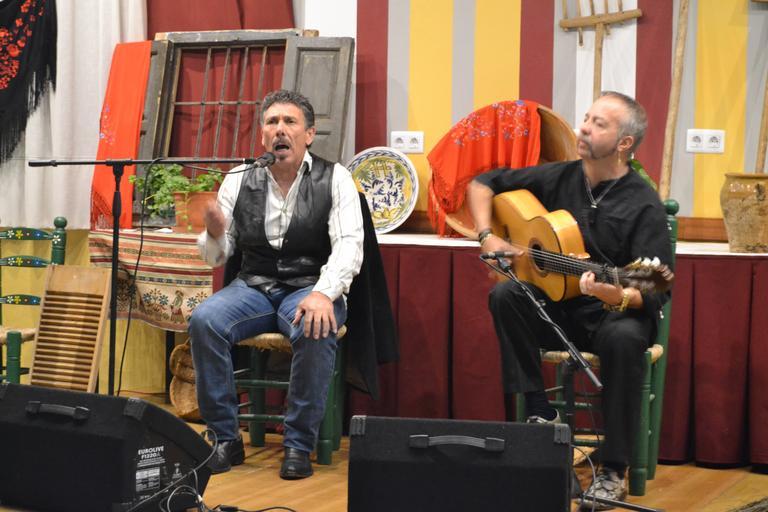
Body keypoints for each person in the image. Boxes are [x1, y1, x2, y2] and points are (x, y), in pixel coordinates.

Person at [466, 92, 672, 510]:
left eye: (599, 124)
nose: (584, 128)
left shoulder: (644, 204)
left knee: (624, 339)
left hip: (614, 314)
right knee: (506, 294)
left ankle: (613, 469)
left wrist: (614, 293)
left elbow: (652, 289)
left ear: (624, 143)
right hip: (561, 310)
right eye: (587, 118)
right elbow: (481, 184)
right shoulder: (557, 177)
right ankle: (542, 416)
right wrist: (487, 235)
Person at [189, 89, 364, 479]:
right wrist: (214, 234)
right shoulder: (240, 178)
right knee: (204, 321)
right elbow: (217, 256)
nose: (280, 129)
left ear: (309, 134)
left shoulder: (335, 177)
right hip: (253, 286)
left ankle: (298, 444)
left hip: (309, 285)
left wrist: (323, 293)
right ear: (262, 135)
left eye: (289, 122)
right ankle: (224, 439)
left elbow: (349, 246)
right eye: (272, 122)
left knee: (316, 326)